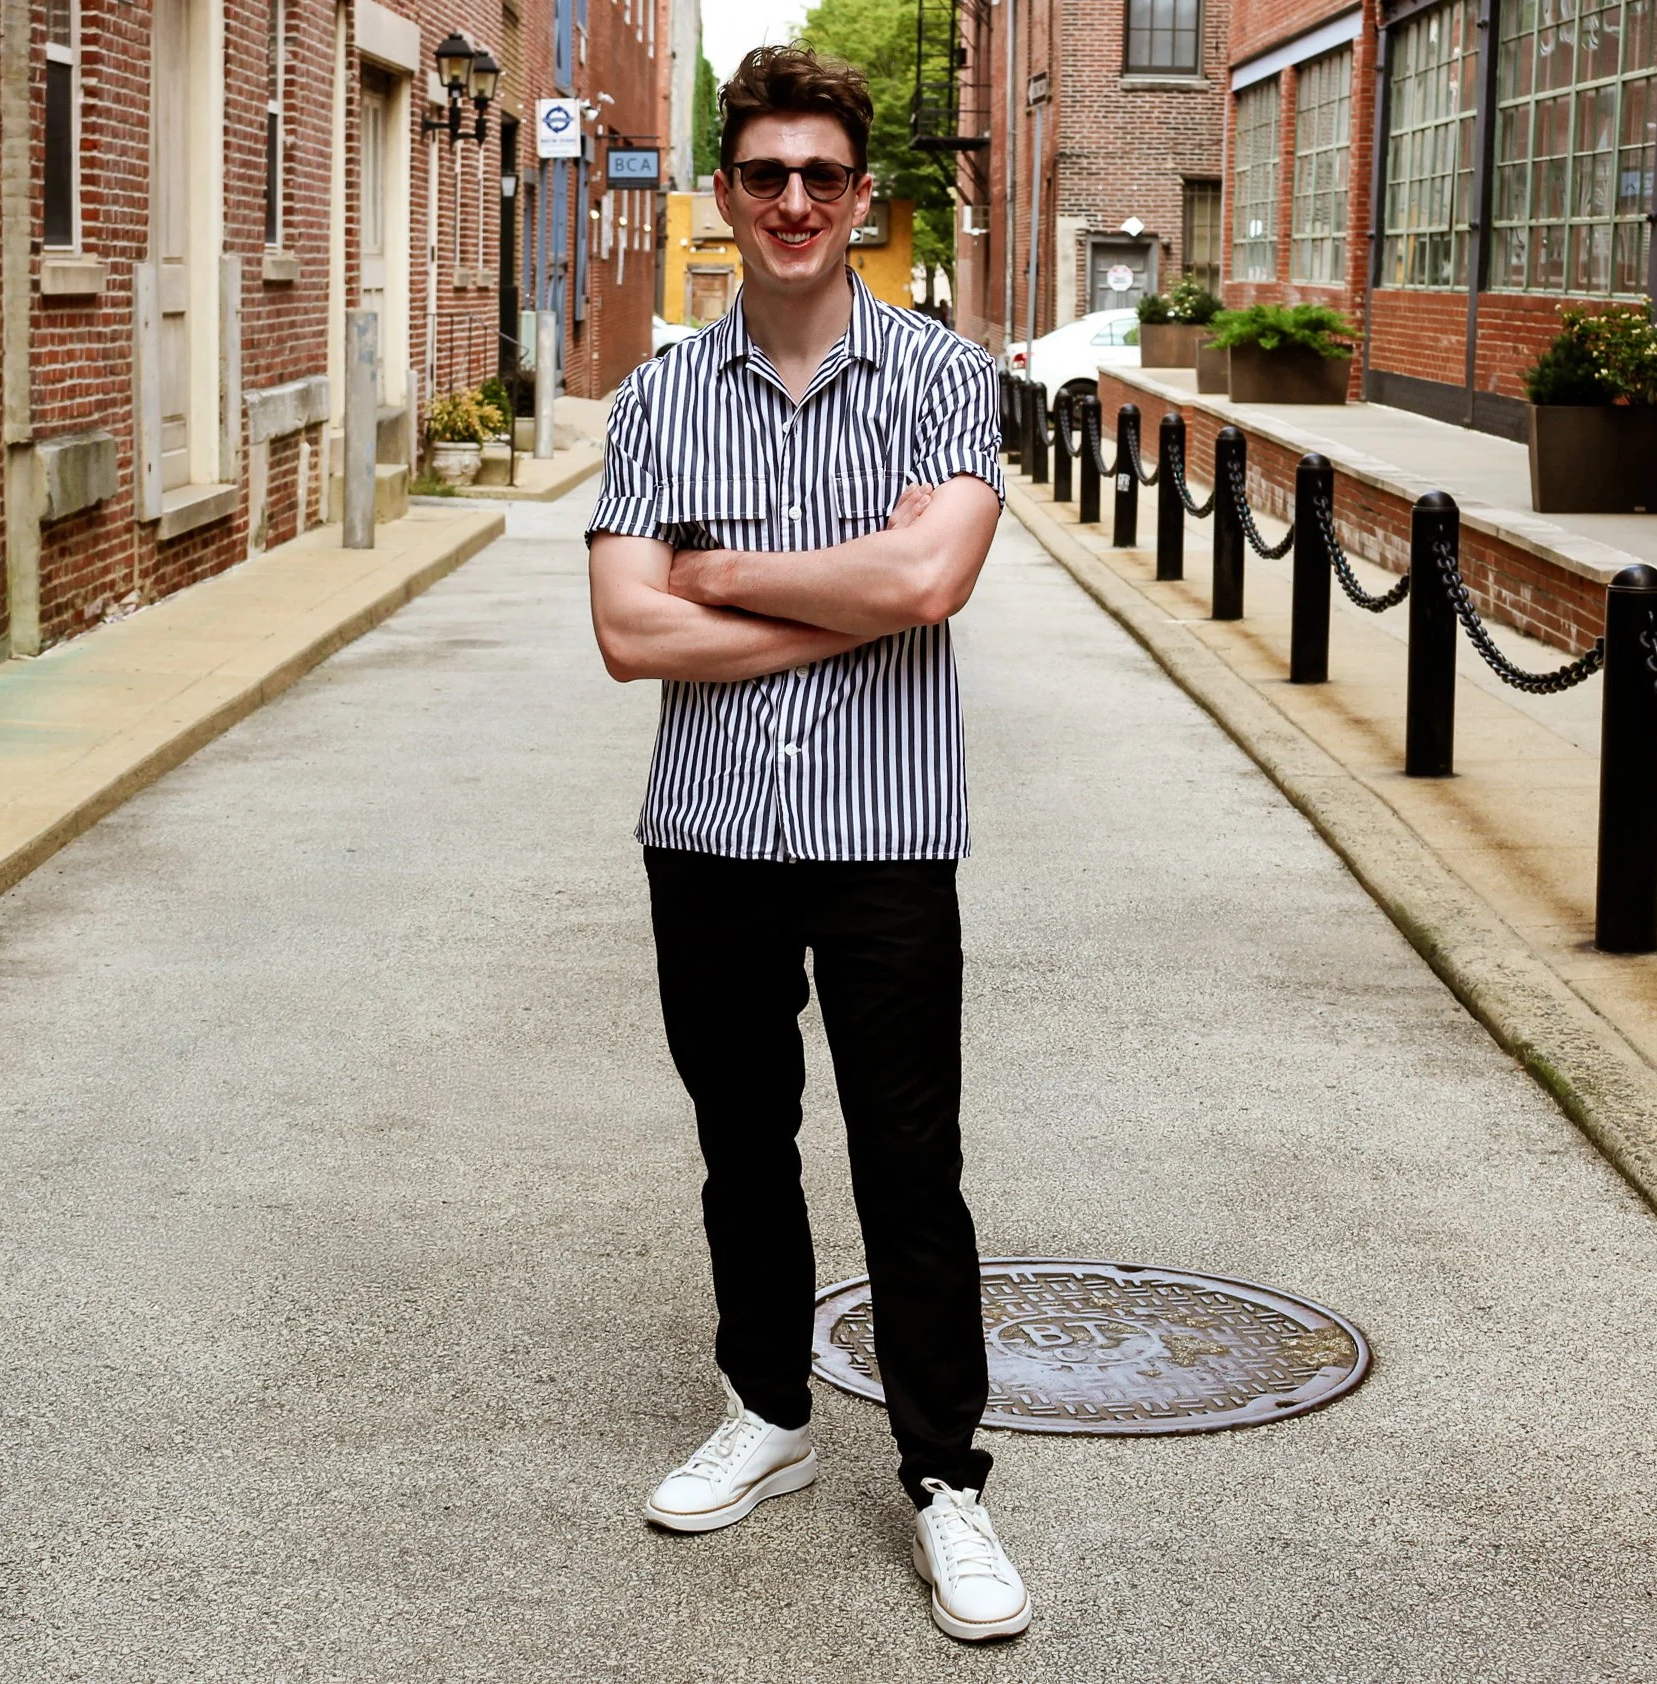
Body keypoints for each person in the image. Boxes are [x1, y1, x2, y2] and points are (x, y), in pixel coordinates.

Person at [583, 44, 1027, 1644]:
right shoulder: (653, 398)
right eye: (762, 174)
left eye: (819, 177)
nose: (790, 201)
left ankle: (943, 1480)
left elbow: (926, 589)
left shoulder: (940, 379)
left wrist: (717, 575)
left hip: (885, 839)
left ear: (861, 199)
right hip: (705, 839)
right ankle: (766, 1412)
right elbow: (626, 637)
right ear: (725, 192)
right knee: (740, 1146)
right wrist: (826, 597)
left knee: (911, 1165)